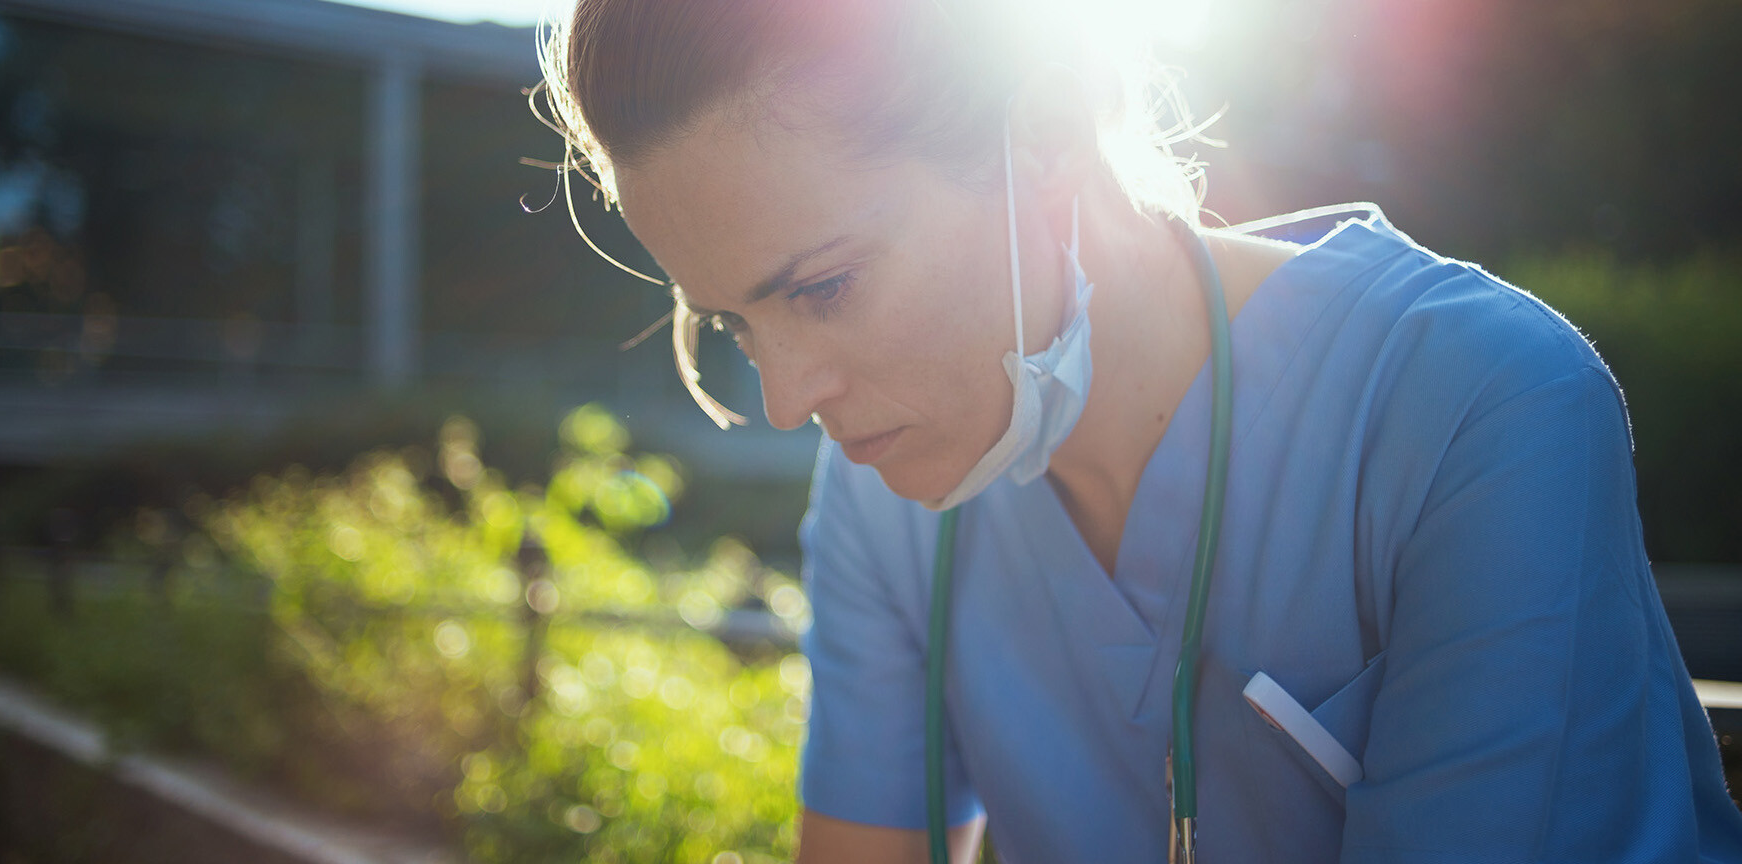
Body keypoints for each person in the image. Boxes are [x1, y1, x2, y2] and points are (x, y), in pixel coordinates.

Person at [529, 0, 1742, 860]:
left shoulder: (1478, 409)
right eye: (734, 323)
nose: (786, 398)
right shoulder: (884, 496)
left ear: (1045, 133)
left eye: (825, 288)